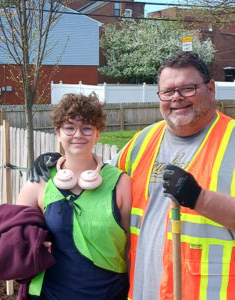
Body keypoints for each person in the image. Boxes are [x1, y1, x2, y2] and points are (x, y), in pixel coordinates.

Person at [30, 52, 235, 300]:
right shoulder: (144, 141)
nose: (177, 98)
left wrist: (200, 198)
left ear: (211, 89)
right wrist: (59, 161)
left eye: (188, 89)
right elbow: (98, 176)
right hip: (142, 292)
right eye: (168, 91)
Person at [0, 93, 132, 300]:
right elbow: (13, 236)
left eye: (87, 128)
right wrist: (33, 245)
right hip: (49, 293)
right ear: (58, 133)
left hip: (108, 292)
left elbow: (130, 243)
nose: (78, 134)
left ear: (97, 133)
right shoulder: (40, 182)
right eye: (69, 127)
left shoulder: (119, 183)